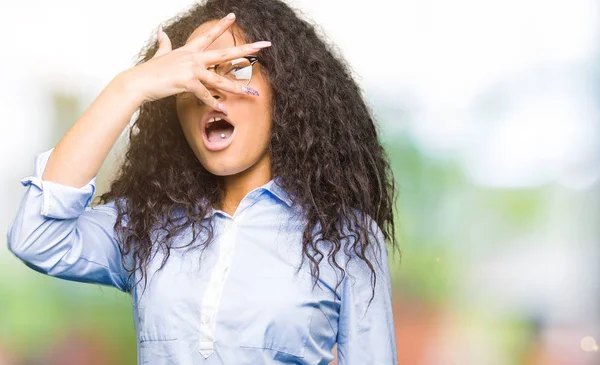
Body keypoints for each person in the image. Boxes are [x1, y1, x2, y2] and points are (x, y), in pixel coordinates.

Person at [6, 0, 400, 364]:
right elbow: (37, 239)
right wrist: (130, 87)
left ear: (286, 92)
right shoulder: (147, 225)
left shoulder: (345, 238)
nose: (211, 90)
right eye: (192, 75)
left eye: (238, 68)